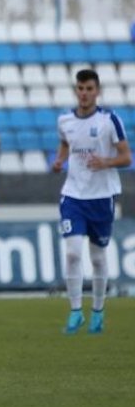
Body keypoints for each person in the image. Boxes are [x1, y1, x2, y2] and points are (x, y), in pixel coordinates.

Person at [51, 68, 131, 335]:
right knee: (73, 253)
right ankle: (75, 312)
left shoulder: (110, 120)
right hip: (73, 195)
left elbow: (126, 158)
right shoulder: (64, 120)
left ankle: (97, 311)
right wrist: (60, 160)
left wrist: (105, 161)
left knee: (97, 258)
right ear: (76, 91)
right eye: (80, 89)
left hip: (101, 197)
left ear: (97, 91)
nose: (84, 94)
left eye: (89, 89)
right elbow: (65, 143)